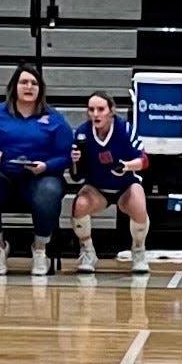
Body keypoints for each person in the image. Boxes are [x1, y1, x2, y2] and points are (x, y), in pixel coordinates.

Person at [0, 64, 72, 276]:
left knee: (49, 190)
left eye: (34, 83)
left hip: (39, 178)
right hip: (1, 177)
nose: (29, 87)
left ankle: (39, 249)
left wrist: (47, 166)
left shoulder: (54, 118)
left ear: (41, 89)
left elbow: (65, 155)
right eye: (24, 82)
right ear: (14, 86)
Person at [70, 93, 150, 274]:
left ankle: (138, 251)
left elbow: (144, 160)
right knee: (79, 205)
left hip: (125, 186)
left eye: (100, 109)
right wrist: (75, 161)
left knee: (138, 203)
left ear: (111, 111)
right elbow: (76, 176)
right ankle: (88, 252)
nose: (95, 114)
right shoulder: (82, 133)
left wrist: (126, 166)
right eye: (91, 110)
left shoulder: (125, 129)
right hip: (97, 188)